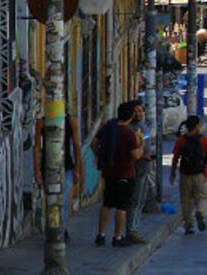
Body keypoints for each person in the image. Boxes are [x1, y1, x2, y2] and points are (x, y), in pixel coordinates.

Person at [93, 102, 143, 247]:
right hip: (125, 173)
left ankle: (101, 234)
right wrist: (141, 146)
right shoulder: (129, 134)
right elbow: (136, 156)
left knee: (107, 203)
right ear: (130, 116)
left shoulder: (108, 127)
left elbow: (95, 143)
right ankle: (117, 237)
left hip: (109, 172)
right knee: (121, 207)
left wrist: (99, 156)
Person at [33, 109, 82, 242]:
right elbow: (37, 146)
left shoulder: (71, 121)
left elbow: (77, 146)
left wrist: (78, 169)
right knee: (51, 200)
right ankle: (54, 229)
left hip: (67, 167)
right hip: (47, 168)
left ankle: (60, 229)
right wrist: (36, 169)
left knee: (64, 200)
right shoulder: (42, 122)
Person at [170, 115, 207, 234]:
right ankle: (200, 212)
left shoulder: (181, 140)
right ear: (196, 126)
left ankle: (188, 225)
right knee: (201, 197)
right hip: (200, 174)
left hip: (185, 174)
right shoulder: (204, 139)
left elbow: (175, 158)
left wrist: (173, 173)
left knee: (186, 200)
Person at [125, 100, 155, 244]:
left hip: (145, 168)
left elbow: (146, 142)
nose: (139, 113)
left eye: (140, 111)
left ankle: (135, 228)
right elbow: (131, 150)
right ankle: (131, 231)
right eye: (136, 111)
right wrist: (144, 156)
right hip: (135, 168)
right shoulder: (129, 128)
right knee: (134, 200)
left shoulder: (143, 126)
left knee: (141, 200)